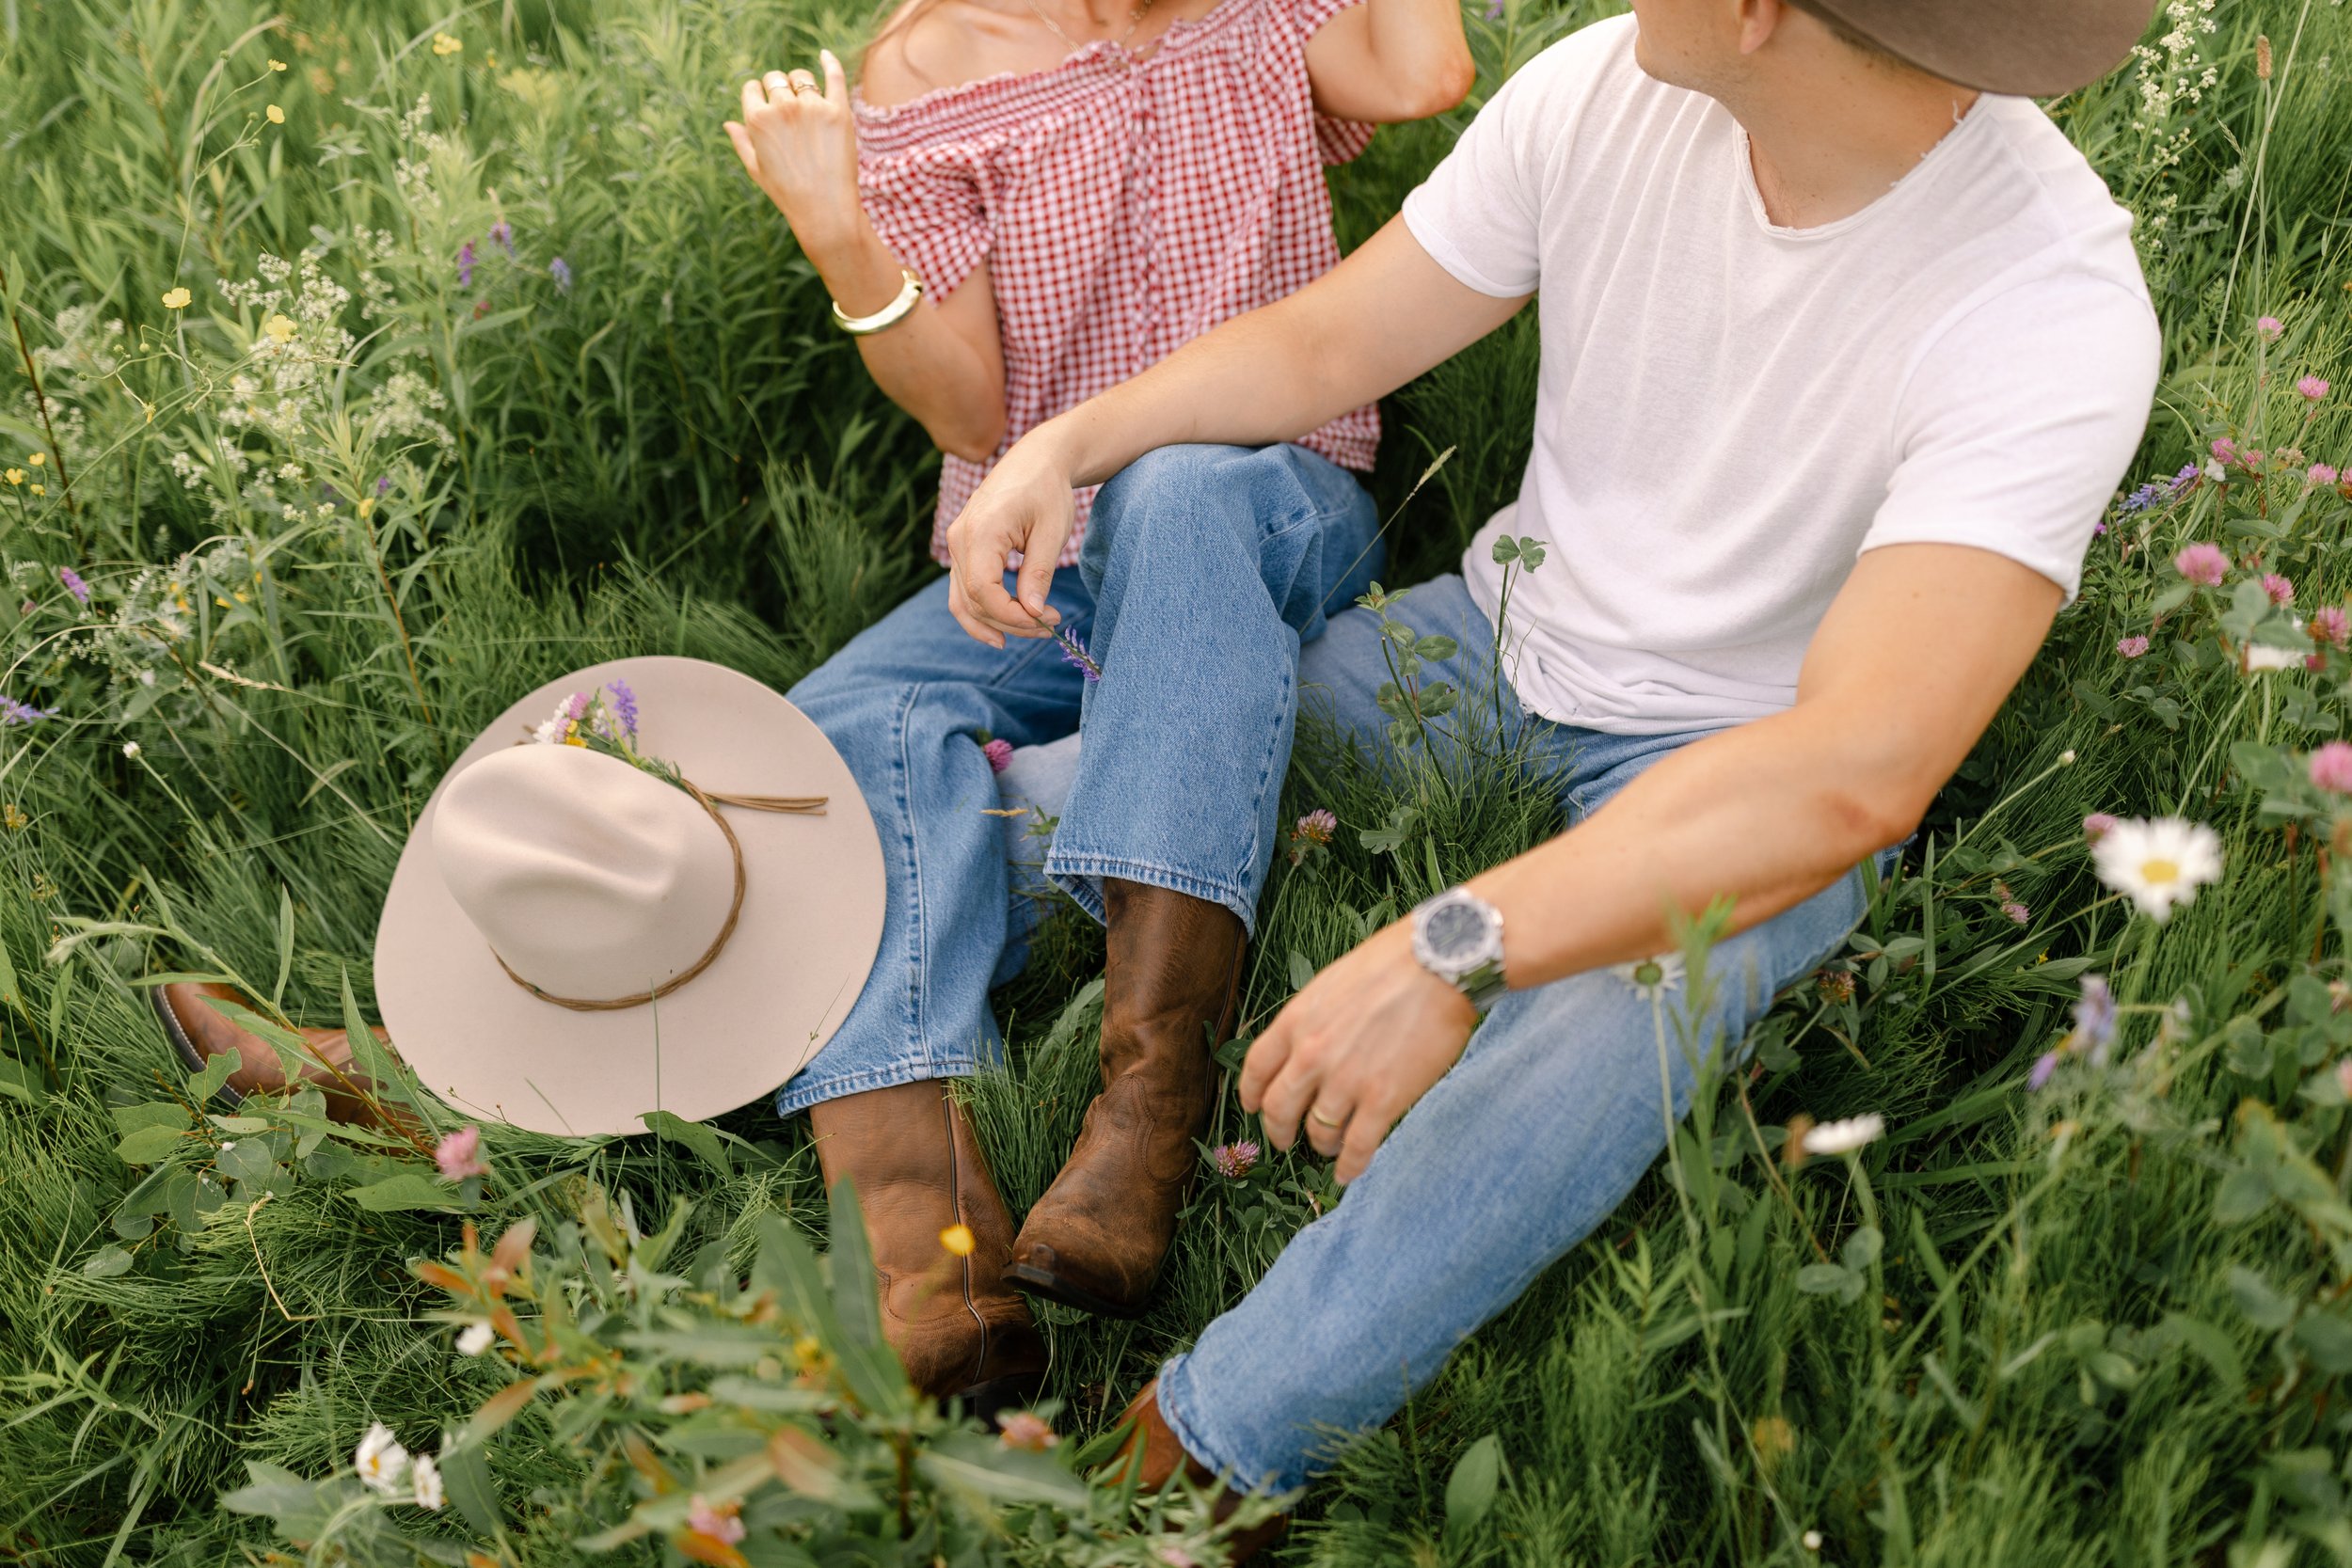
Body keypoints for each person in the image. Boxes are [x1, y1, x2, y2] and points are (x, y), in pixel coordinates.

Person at [933, 0, 2163, 1531]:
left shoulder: (2049, 305)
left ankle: (1210, 1449)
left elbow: (1857, 769)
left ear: (1761, 13)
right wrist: (1073, 440)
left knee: (1654, 984)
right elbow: (1331, 339)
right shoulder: (1605, 87)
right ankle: (951, 1093)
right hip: (1491, 643)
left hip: (1737, 764)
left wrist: (1454, 943)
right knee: (1020, 815)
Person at [714, 0, 1474, 1389]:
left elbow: (1425, 70)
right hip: (1044, 535)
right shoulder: (930, 63)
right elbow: (963, 410)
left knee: (1183, 488)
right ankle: (920, 1235)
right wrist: (839, 230)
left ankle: (1149, 1104)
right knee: (845, 721)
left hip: (1273, 489)